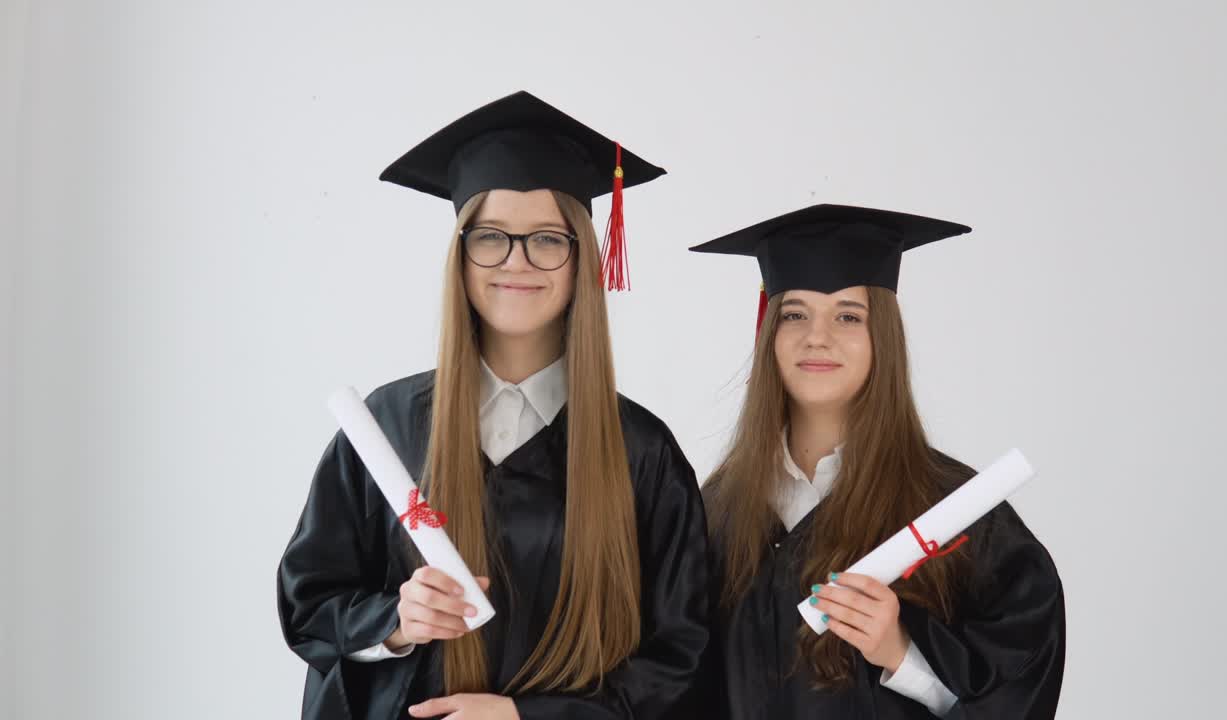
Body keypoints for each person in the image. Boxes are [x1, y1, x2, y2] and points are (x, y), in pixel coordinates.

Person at [278, 91, 711, 720]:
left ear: (581, 256)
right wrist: (395, 622)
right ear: (461, 251)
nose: (516, 260)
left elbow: (681, 656)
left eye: (546, 238)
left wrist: (525, 717)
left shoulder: (640, 451)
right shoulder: (387, 427)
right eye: (491, 237)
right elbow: (310, 606)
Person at [690, 204, 1066, 718]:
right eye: (795, 313)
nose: (816, 336)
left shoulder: (953, 505)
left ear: (881, 338)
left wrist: (901, 652)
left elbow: (1020, 689)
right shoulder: (719, 509)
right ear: (770, 334)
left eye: (848, 315)